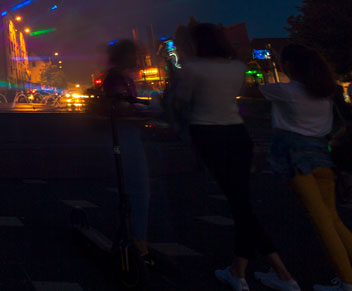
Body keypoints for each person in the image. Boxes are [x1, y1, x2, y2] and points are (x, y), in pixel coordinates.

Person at [174, 23, 297, 290]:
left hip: (208, 135)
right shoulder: (237, 67)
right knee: (241, 202)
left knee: (240, 206)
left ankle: (281, 275)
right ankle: (242, 271)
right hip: (238, 135)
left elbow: (181, 100)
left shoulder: (193, 68)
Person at [260, 44, 352, 291]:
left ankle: (347, 281)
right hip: (322, 156)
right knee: (333, 218)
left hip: (296, 158)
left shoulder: (284, 90)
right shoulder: (324, 92)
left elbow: (250, 87)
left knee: (321, 221)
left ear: (289, 65)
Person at [101, 40, 153, 265]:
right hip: (125, 136)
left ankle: (134, 237)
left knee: (134, 188)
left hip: (126, 134)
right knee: (139, 188)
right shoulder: (117, 78)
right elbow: (122, 107)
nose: (138, 58)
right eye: (134, 54)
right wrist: (147, 111)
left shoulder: (120, 77)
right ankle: (137, 242)